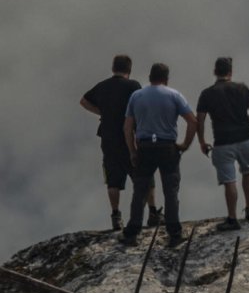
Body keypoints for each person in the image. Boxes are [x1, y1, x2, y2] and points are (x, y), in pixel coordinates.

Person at [120, 63, 197, 248]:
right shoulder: (174, 95)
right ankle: (174, 233)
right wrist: (185, 145)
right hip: (167, 147)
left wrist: (132, 151)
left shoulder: (136, 96)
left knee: (140, 191)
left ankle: (132, 233)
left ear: (150, 76)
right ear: (166, 78)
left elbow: (127, 127)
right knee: (170, 191)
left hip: (145, 147)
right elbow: (192, 121)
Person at [80, 54, 160, 231]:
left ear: (113, 68)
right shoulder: (133, 86)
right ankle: (153, 213)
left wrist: (102, 111)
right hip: (130, 137)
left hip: (108, 139)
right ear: (129, 70)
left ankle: (116, 216)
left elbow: (83, 101)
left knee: (113, 180)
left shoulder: (102, 86)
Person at [196, 57, 249, 231]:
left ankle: (232, 218)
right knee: (248, 170)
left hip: (223, 141)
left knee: (229, 180)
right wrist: (245, 124)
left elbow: (200, 121)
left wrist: (202, 141)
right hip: (245, 139)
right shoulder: (242, 88)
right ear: (230, 72)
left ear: (215, 72)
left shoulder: (207, 94)